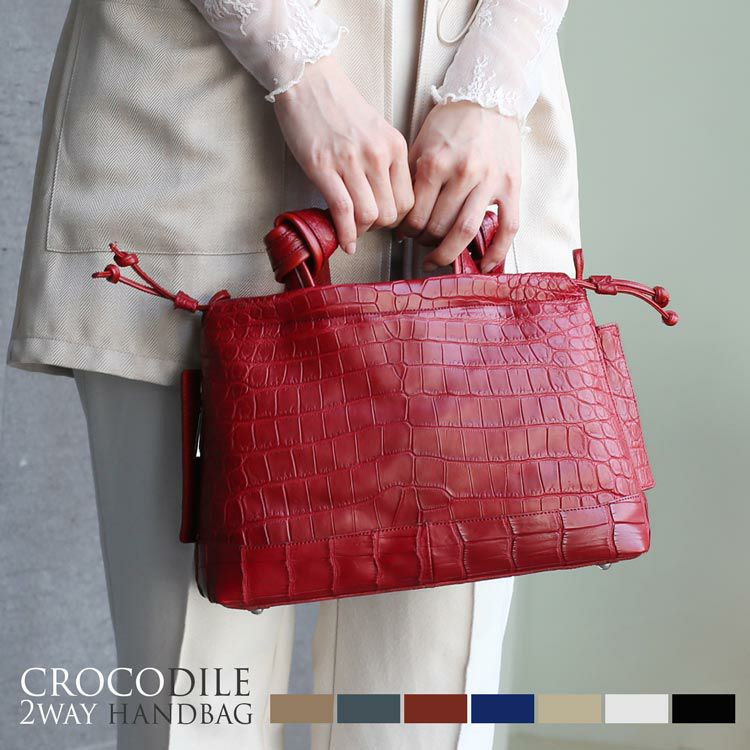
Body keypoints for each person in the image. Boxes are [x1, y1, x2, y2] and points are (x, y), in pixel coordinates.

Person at [7, 1, 579, 748]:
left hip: (474, 154)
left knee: (428, 719)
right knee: (201, 710)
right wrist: (299, 67)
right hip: (200, 139)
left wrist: (494, 82)